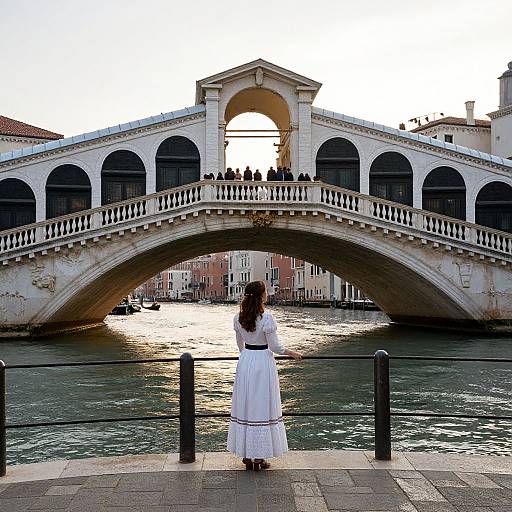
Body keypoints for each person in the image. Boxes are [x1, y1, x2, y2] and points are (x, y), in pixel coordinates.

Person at [227, 281, 302, 471]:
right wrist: (291, 352)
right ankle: (259, 457)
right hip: (262, 362)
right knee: (261, 405)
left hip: (245, 361)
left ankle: (246, 455)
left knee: (245, 405)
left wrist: (247, 356)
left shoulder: (238, 318)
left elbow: (239, 345)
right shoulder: (266, 318)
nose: (267, 294)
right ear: (261, 296)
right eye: (265, 292)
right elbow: (275, 347)